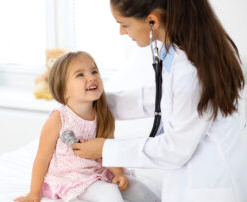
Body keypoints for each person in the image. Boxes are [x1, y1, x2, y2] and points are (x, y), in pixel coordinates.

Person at [71, 0, 247, 202]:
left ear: (152, 20)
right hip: (195, 178)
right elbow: (160, 97)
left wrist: (105, 148)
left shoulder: (190, 72)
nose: (121, 32)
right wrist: (96, 103)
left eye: (124, 24)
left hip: (210, 187)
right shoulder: (179, 50)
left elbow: (174, 149)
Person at [14, 51, 130, 202]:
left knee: (138, 189)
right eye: (80, 75)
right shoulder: (59, 118)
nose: (91, 77)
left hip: (96, 173)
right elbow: (42, 158)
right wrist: (34, 194)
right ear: (64, 89)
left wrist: (119, 173)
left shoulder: (102, 113)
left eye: (94, 71)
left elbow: (106, 151)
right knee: (109, 193)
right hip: (70, 179)